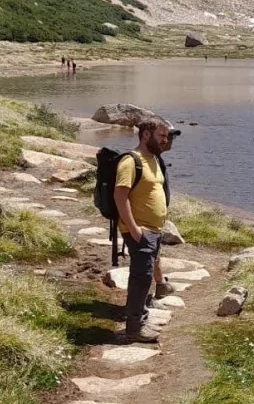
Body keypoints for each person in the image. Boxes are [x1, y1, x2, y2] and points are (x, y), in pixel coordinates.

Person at [114, 118, 169, 343]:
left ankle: (140, 320)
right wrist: (135, 230)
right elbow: (120, 196)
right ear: (146, 135)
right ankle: (134, 329)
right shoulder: (130, 161)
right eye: (161, 136)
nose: (165, 141)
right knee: (141, 278)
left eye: (166, 137)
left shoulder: (153, 159)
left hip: (152, 230)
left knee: (144, 278)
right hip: (140, 231)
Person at [151, 126, 180, 300]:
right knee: (150, 254)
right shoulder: (150, 159)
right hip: (146, 220)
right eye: (166, 136)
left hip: (154, 217)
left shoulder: (157, 158)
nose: (169, 140)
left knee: (155, 251)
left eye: (171, 137)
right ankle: (157, 288)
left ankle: (160, 283)